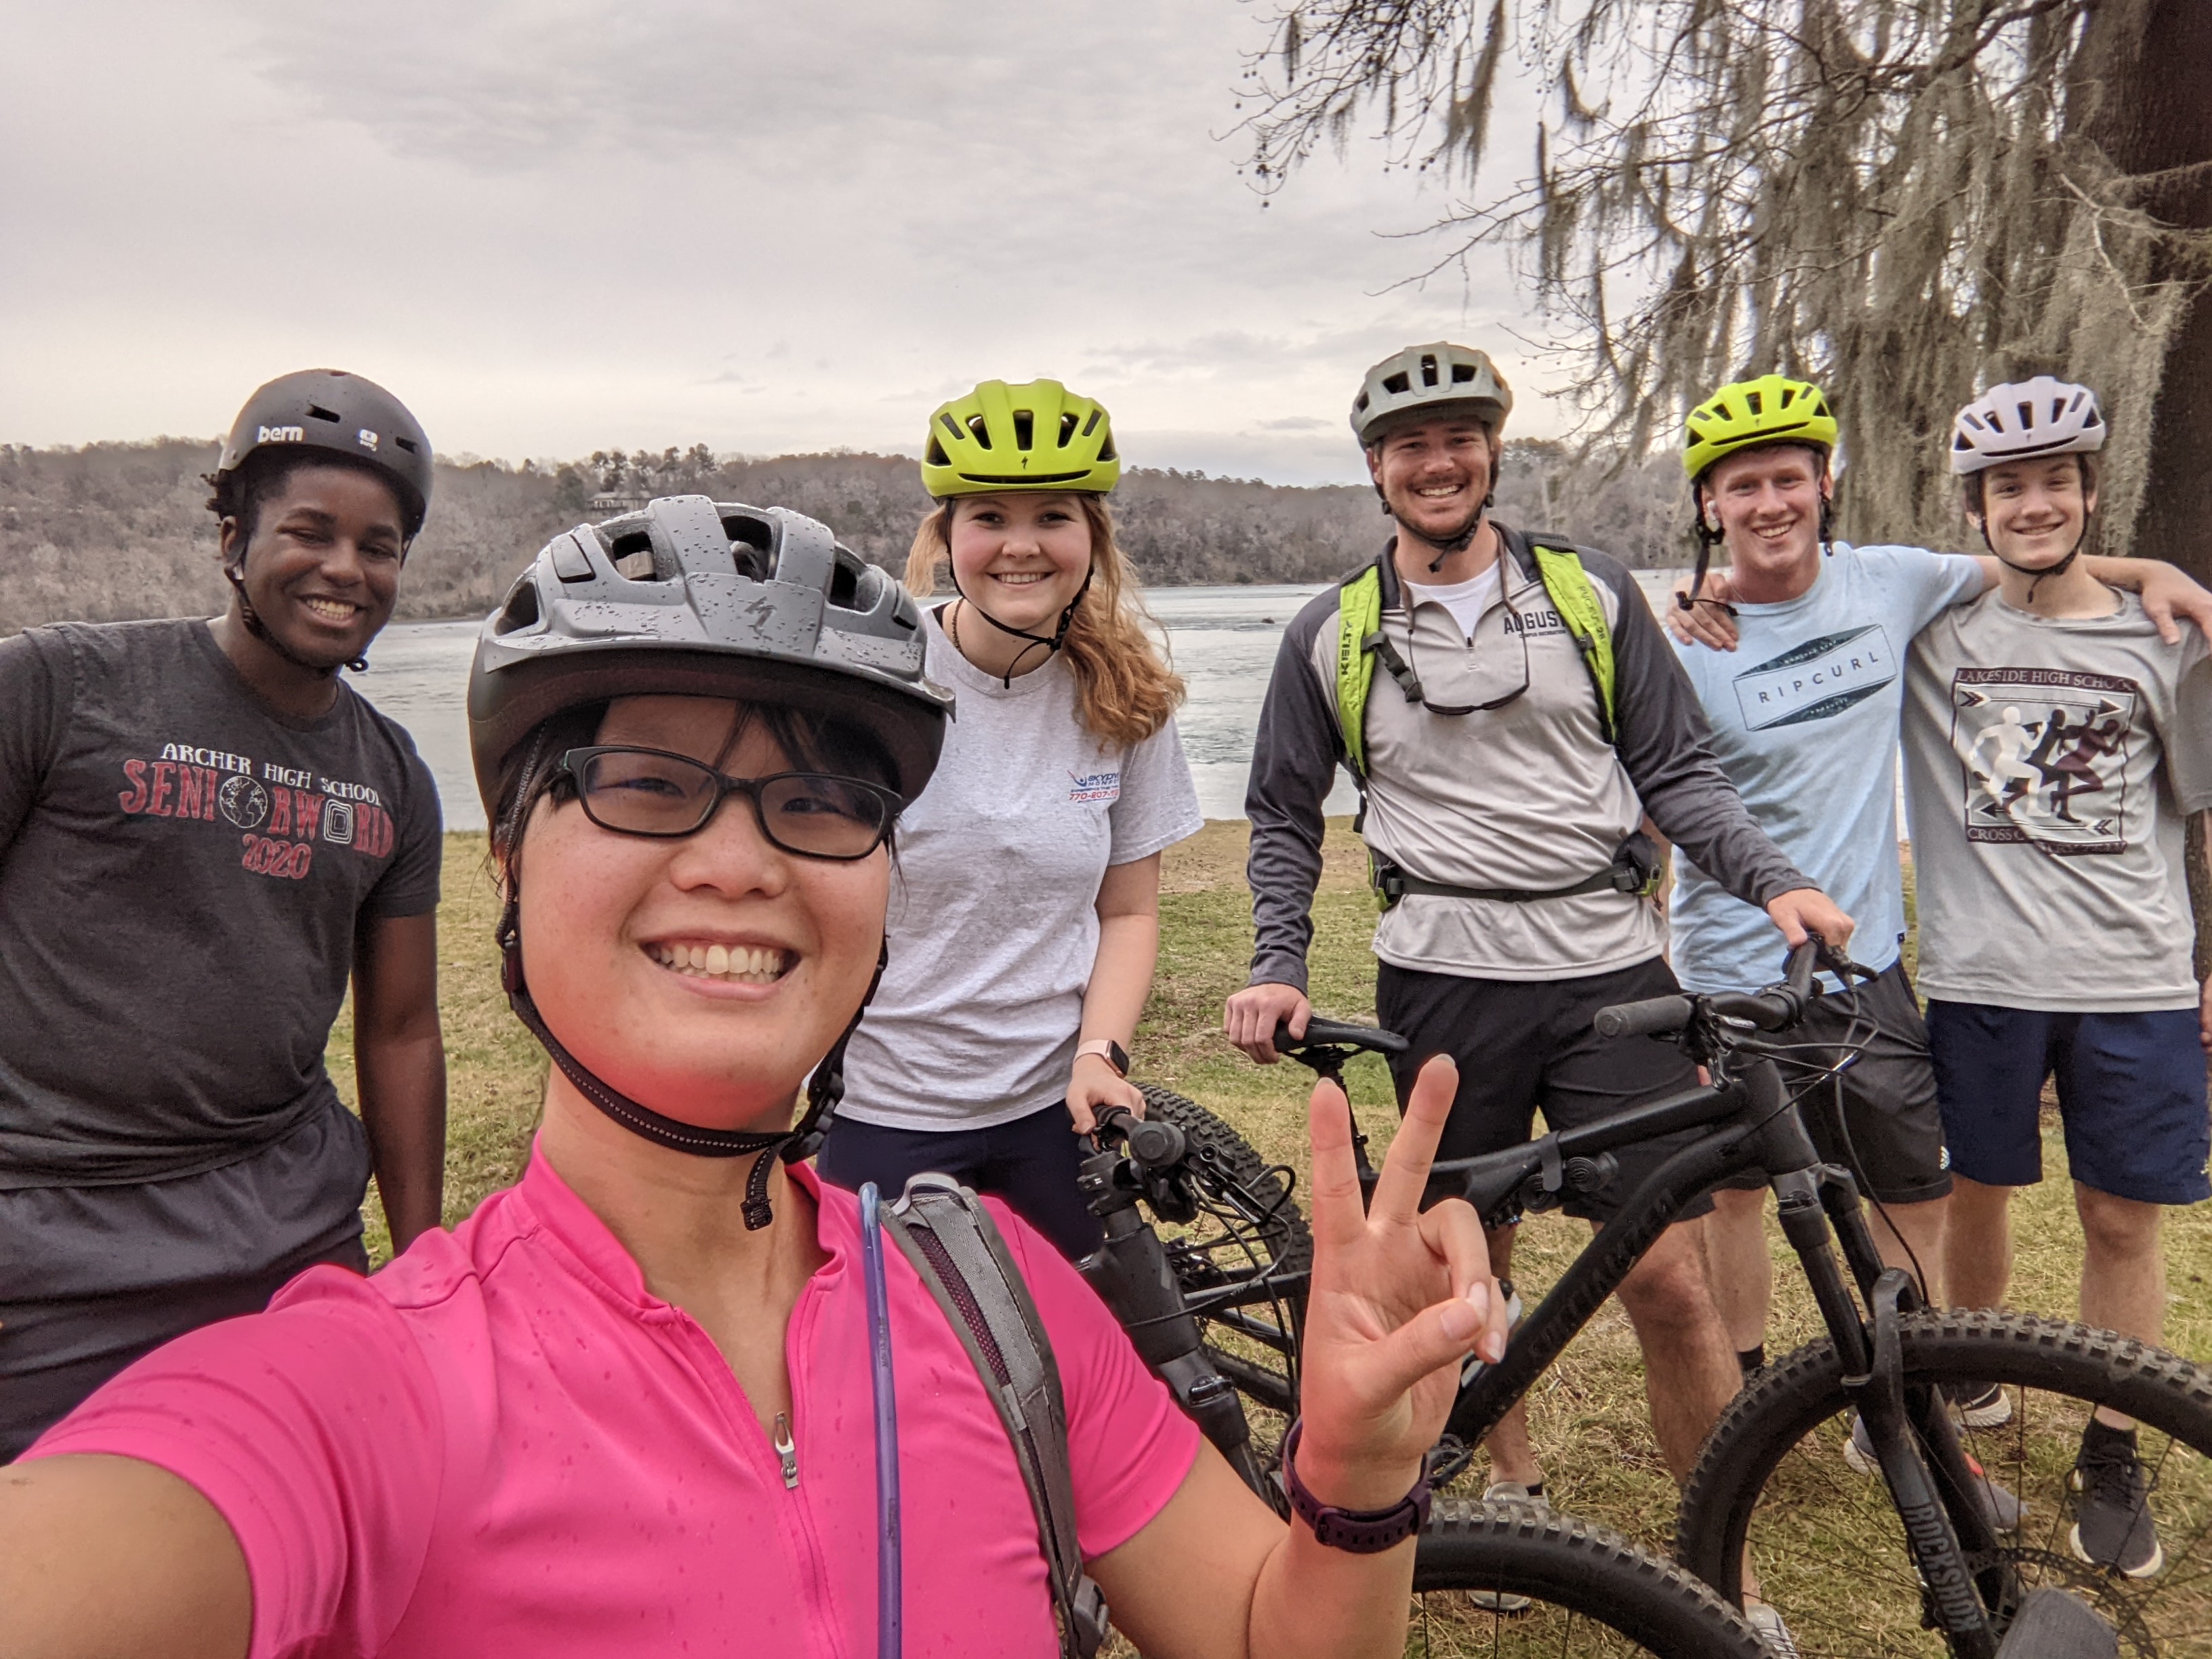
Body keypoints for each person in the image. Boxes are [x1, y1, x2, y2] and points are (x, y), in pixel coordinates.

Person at [0, 495, 1511, 1659]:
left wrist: (1356, 1477)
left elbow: (1267, 1632)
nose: (737, 862)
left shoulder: (998, 1303)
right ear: (514, 855)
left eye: (817, 801)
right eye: (647, 783)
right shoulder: (365, 1390)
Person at [1224, 342, 1851, 1585]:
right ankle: (1512, 1493)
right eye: (1410, 446)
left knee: (1664, 1274)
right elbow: (1285, 814)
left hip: (1612, 973)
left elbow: (1674, 768)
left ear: (1492, 453)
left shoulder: (1589, 594)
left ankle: (1716, 1567)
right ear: (1376, 471)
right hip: (1444, 982)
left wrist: (1774, 879)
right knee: (1474, 1263)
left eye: (1459, 439)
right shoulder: (1332, 633)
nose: (1437, 462)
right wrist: (1278, 958)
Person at [1659, 375, 2212, 1389]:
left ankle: (1912, 1379)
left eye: (1789, 478)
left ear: (1825, 485)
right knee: (1737, 1194)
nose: (1770, 502)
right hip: (1730, 965)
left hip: (1865, 960)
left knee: (1915, 1190)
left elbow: (2034, 547)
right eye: (1744, 487)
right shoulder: (1686, 643)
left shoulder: (1893, 584)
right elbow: (1661, 793)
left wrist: (2162, 569)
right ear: (1711, 506)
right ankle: (1741, 1387)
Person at [0, 369, 447, 1460]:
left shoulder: (392, 776)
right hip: (50, 1239)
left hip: (287, 1232)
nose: (345, 569)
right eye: (309, 531)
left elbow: (399, 1030)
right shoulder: (61, 689)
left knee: (326, 1542)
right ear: (233, 537)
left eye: (378, 546)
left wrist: (426, 1257)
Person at [1900, 378, 2212, 1579]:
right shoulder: (1935, 631)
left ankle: (2112, 1443)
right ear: (1977, 508)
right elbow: (1816, 604)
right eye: (2007, 487)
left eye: (2055, 482)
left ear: (2090, 493)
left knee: (2119, 1215)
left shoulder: (2163, 639)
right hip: (1983, 972)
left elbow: (2206, 812)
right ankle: (1974, 1375)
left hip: (2134, 972)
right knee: (1976, 1190)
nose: (2034, 505)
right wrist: (1714, 602)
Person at [819, 378, 1202, 1261]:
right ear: (946, 538)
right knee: (893, 1377)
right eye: (989, 516)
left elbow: (1128, 912)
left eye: (1054, 518)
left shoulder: (1128, 695)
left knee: (1097, 1369)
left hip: (1053, 1109)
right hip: (883, 1110)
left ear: (1091, 539)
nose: (1021, 547)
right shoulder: (870, 679)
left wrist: (1100, 1055)